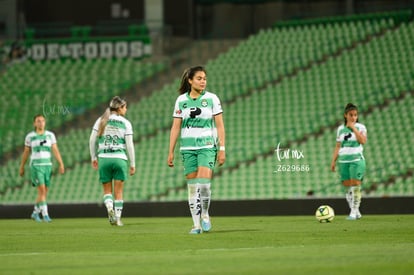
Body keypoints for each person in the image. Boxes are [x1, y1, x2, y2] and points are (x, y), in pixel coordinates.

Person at [167, 66, 226, 234]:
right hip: (187, 148)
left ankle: (205, 215)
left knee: (204, 185)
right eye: (199, 78)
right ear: (190, 80)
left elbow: (220, 126)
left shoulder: (212, 99)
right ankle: (196, 225)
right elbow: (175, 127)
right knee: (193, 187)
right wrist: (170, 151)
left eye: (205, 78)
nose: (203, 81)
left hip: (207, 146)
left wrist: (222, 148)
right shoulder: (181, 101)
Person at [89, 96, 135, 226]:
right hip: (119, 158)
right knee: (119, 191)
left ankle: (109, 208)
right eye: (125, 107)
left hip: (104, 158)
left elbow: (92, 140)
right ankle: (118, 219)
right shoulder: (126, 123)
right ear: (119, 108)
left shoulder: (101, 120)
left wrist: (93, 157)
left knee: (107, 191)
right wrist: (132, 164)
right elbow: (130, 145)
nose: (126, 109)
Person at [19, 114, 65, 222]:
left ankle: (35, 213)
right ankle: (45, 214)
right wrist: (22, 166)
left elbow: (55, 150)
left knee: (44, 192)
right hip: (36, 165)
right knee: (42, 190)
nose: (41, 123)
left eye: (43, 121)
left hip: (47, 165)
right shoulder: (30, 136)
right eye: (38, 121)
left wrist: (61, 163)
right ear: (34, 123)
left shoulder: (50, 135)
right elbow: (26, 152)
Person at [330, 103, 367, 220]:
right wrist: (333, 161)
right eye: (351, 115)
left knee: (355, 185)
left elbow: (363, 141)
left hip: (356, 160)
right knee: (347, 187)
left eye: (355, 115)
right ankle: (356, 210)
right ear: (345, 115)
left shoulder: (361, 127)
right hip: (343, 161)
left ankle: (353, 211)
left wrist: (354, 128)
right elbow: (337, 146)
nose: (353, 117)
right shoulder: (340, 129)